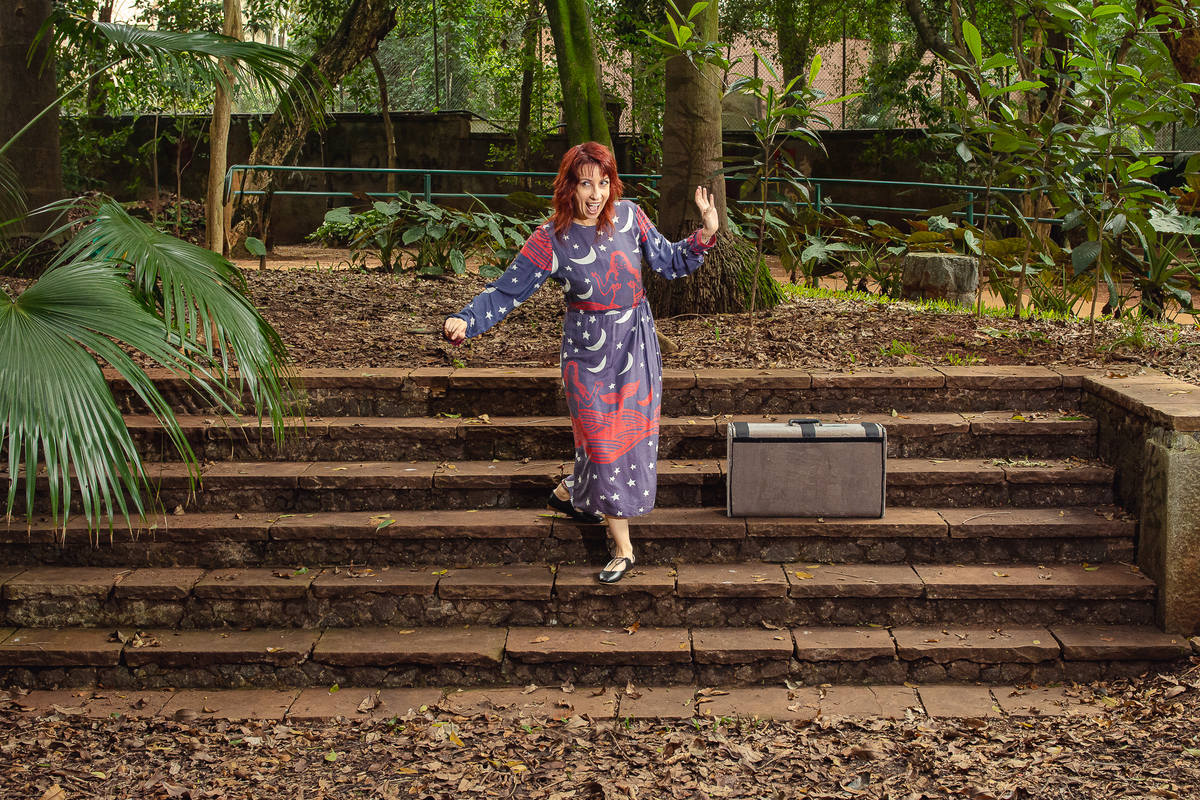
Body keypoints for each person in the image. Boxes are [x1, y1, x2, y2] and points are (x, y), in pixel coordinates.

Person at [443, 141, 718, 583]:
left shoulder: (630, 217)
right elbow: (506, 290)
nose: (596, 194)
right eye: (586, 184)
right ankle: (624, 549)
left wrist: (705, 232)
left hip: (636, 344)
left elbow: (670, 262)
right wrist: (466, 319)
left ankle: (569, 493)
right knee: (603, 442)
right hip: (586, 356)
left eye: (604, 183)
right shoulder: (550, 238)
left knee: (625, 440)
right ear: (568, 186)